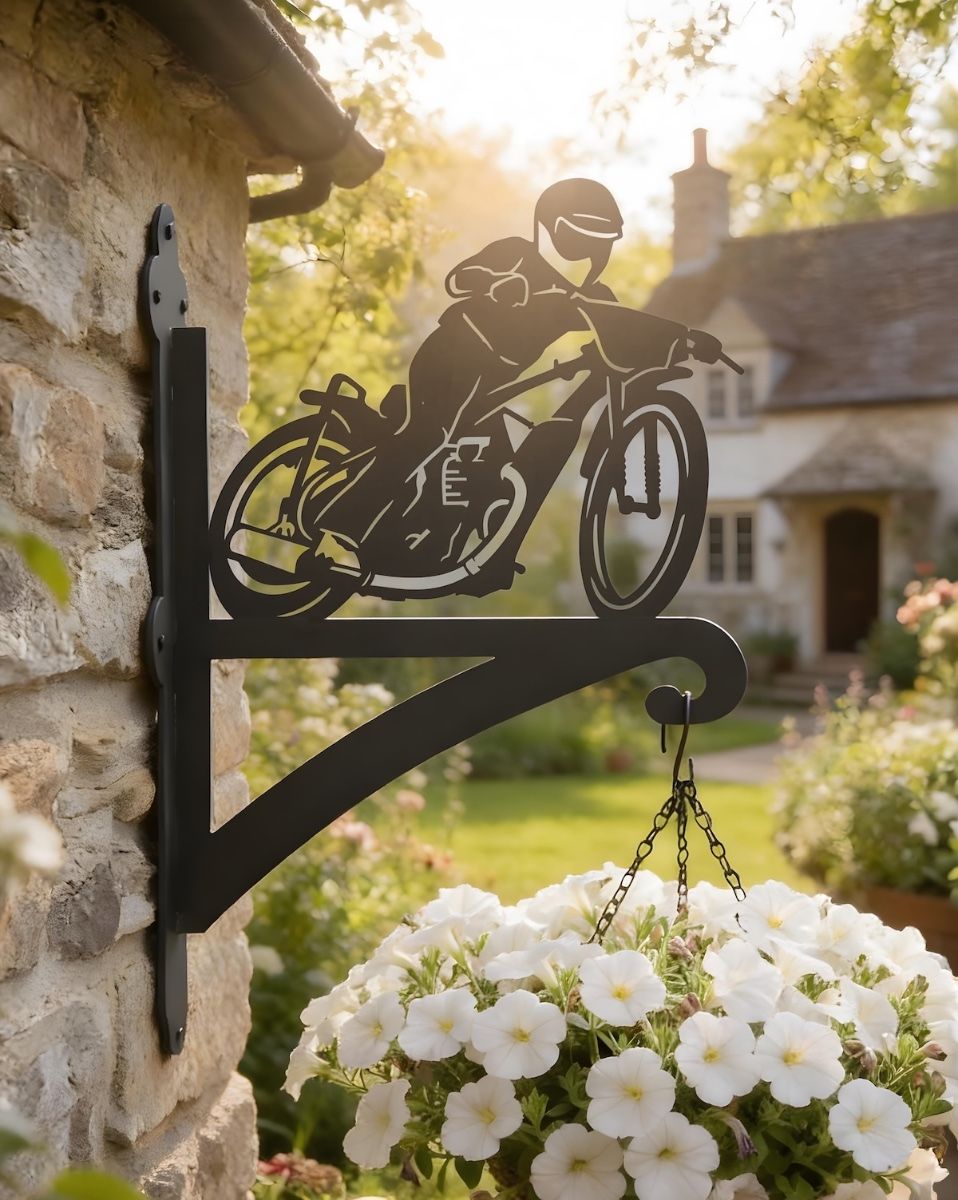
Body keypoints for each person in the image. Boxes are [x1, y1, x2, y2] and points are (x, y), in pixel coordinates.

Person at [314, 178, 720, 560]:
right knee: (432, 434)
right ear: (553, 228)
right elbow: (460, 279)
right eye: (582, 235)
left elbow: (628, 324)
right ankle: (344, 514)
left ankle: (436, 548)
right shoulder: (517, 255)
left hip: (494, 381)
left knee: (490, 471)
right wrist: (494, 282)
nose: (590, 249)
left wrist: (686, 337)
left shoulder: (590, 295)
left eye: (600, 241)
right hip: (453, 356)